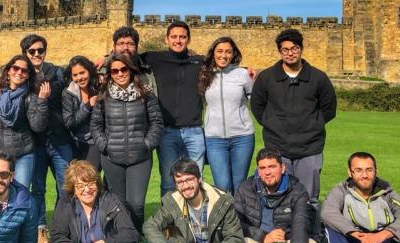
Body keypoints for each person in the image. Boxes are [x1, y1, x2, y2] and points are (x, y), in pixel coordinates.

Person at [250, 29, 336, 222]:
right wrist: (272, 125)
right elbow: (257, 106)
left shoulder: (318, 77)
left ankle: (312, 235)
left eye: (294, 48)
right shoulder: (267, 78)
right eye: (285, 49)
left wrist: (313, 126)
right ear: (280, 52)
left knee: (309, 197)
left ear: (301, 49)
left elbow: (329, 108)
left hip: (310, 148)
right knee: (278, 195)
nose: (290, 53)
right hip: (278, 148)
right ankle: (283, 234)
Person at [39, 160, 141, 243]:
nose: (87, 190)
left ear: (97, 184)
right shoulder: (65, 204)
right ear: (73, 189)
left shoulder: (110, 199)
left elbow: (131, 233)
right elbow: (58, 237)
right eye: (80, 186)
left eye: (90, 184)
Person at [90, 53, 163, 232]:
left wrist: (147, 144)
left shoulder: (146, 94)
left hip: (140, 158)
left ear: (131, 70)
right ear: (110, 74)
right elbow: (96, 124)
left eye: (124, 69)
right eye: (115, 71)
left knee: (136, 205)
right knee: (119, 204)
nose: (120, 74)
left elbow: (157, 122)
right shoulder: (104, 95)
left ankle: (135, 239)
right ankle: (122, 240)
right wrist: (104, 145)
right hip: (112, 157)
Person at [20, 34, 75, 243]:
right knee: (38, 189)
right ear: (25, 53)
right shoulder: (21, 75)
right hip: (35, 143)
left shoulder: (57, 73)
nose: (36, 54)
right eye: (32, 51)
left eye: (40, 50)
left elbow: (82, 75)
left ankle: (65, 229)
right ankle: (40, 230)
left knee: (66, 188)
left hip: (60, 140)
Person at [139, 21, 206, 198]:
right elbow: (126, 58)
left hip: (194, 131)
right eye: (174, 37)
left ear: (188, 39)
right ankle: (171, 224)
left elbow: (223, 62)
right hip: (166, 132)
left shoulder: (199, 61)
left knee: (196, 180)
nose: (178, 40)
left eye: (182, 37)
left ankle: (196, 223)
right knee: (169, 182)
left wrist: (247, 69)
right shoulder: (154, 58)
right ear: (167, 39)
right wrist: (105, 58)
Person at [198, 37, 255, 193]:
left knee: (239, 186)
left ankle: (240, 218)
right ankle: (226, 218)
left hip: (242, 138)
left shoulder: (243, 75)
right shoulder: (204, 74)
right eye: (220, 51)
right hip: (214, 139)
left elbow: (255, 101)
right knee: (222, 186)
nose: (224, 55)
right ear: (213, 53)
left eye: (228, 52)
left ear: (233, 54)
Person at [0, 55, 50, 188]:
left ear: (28, 75)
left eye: (24, 71)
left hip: (23, 154)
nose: (19, 72)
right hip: (0, 153)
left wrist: (42, 101)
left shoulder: (30, 95)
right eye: (15, 68)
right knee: (0, 195)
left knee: (21, 195)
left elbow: (38, 126)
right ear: (8, 70)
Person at [62, 55, 101, 170]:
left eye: (82, 73)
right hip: (77, 143)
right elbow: (69, 123)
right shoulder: (68, 93)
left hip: (96, 141)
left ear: (89, 71)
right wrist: (88, 106)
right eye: (75, 75)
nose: (79, 78)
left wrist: (105, 58)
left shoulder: (99, 87)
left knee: (90, 177)